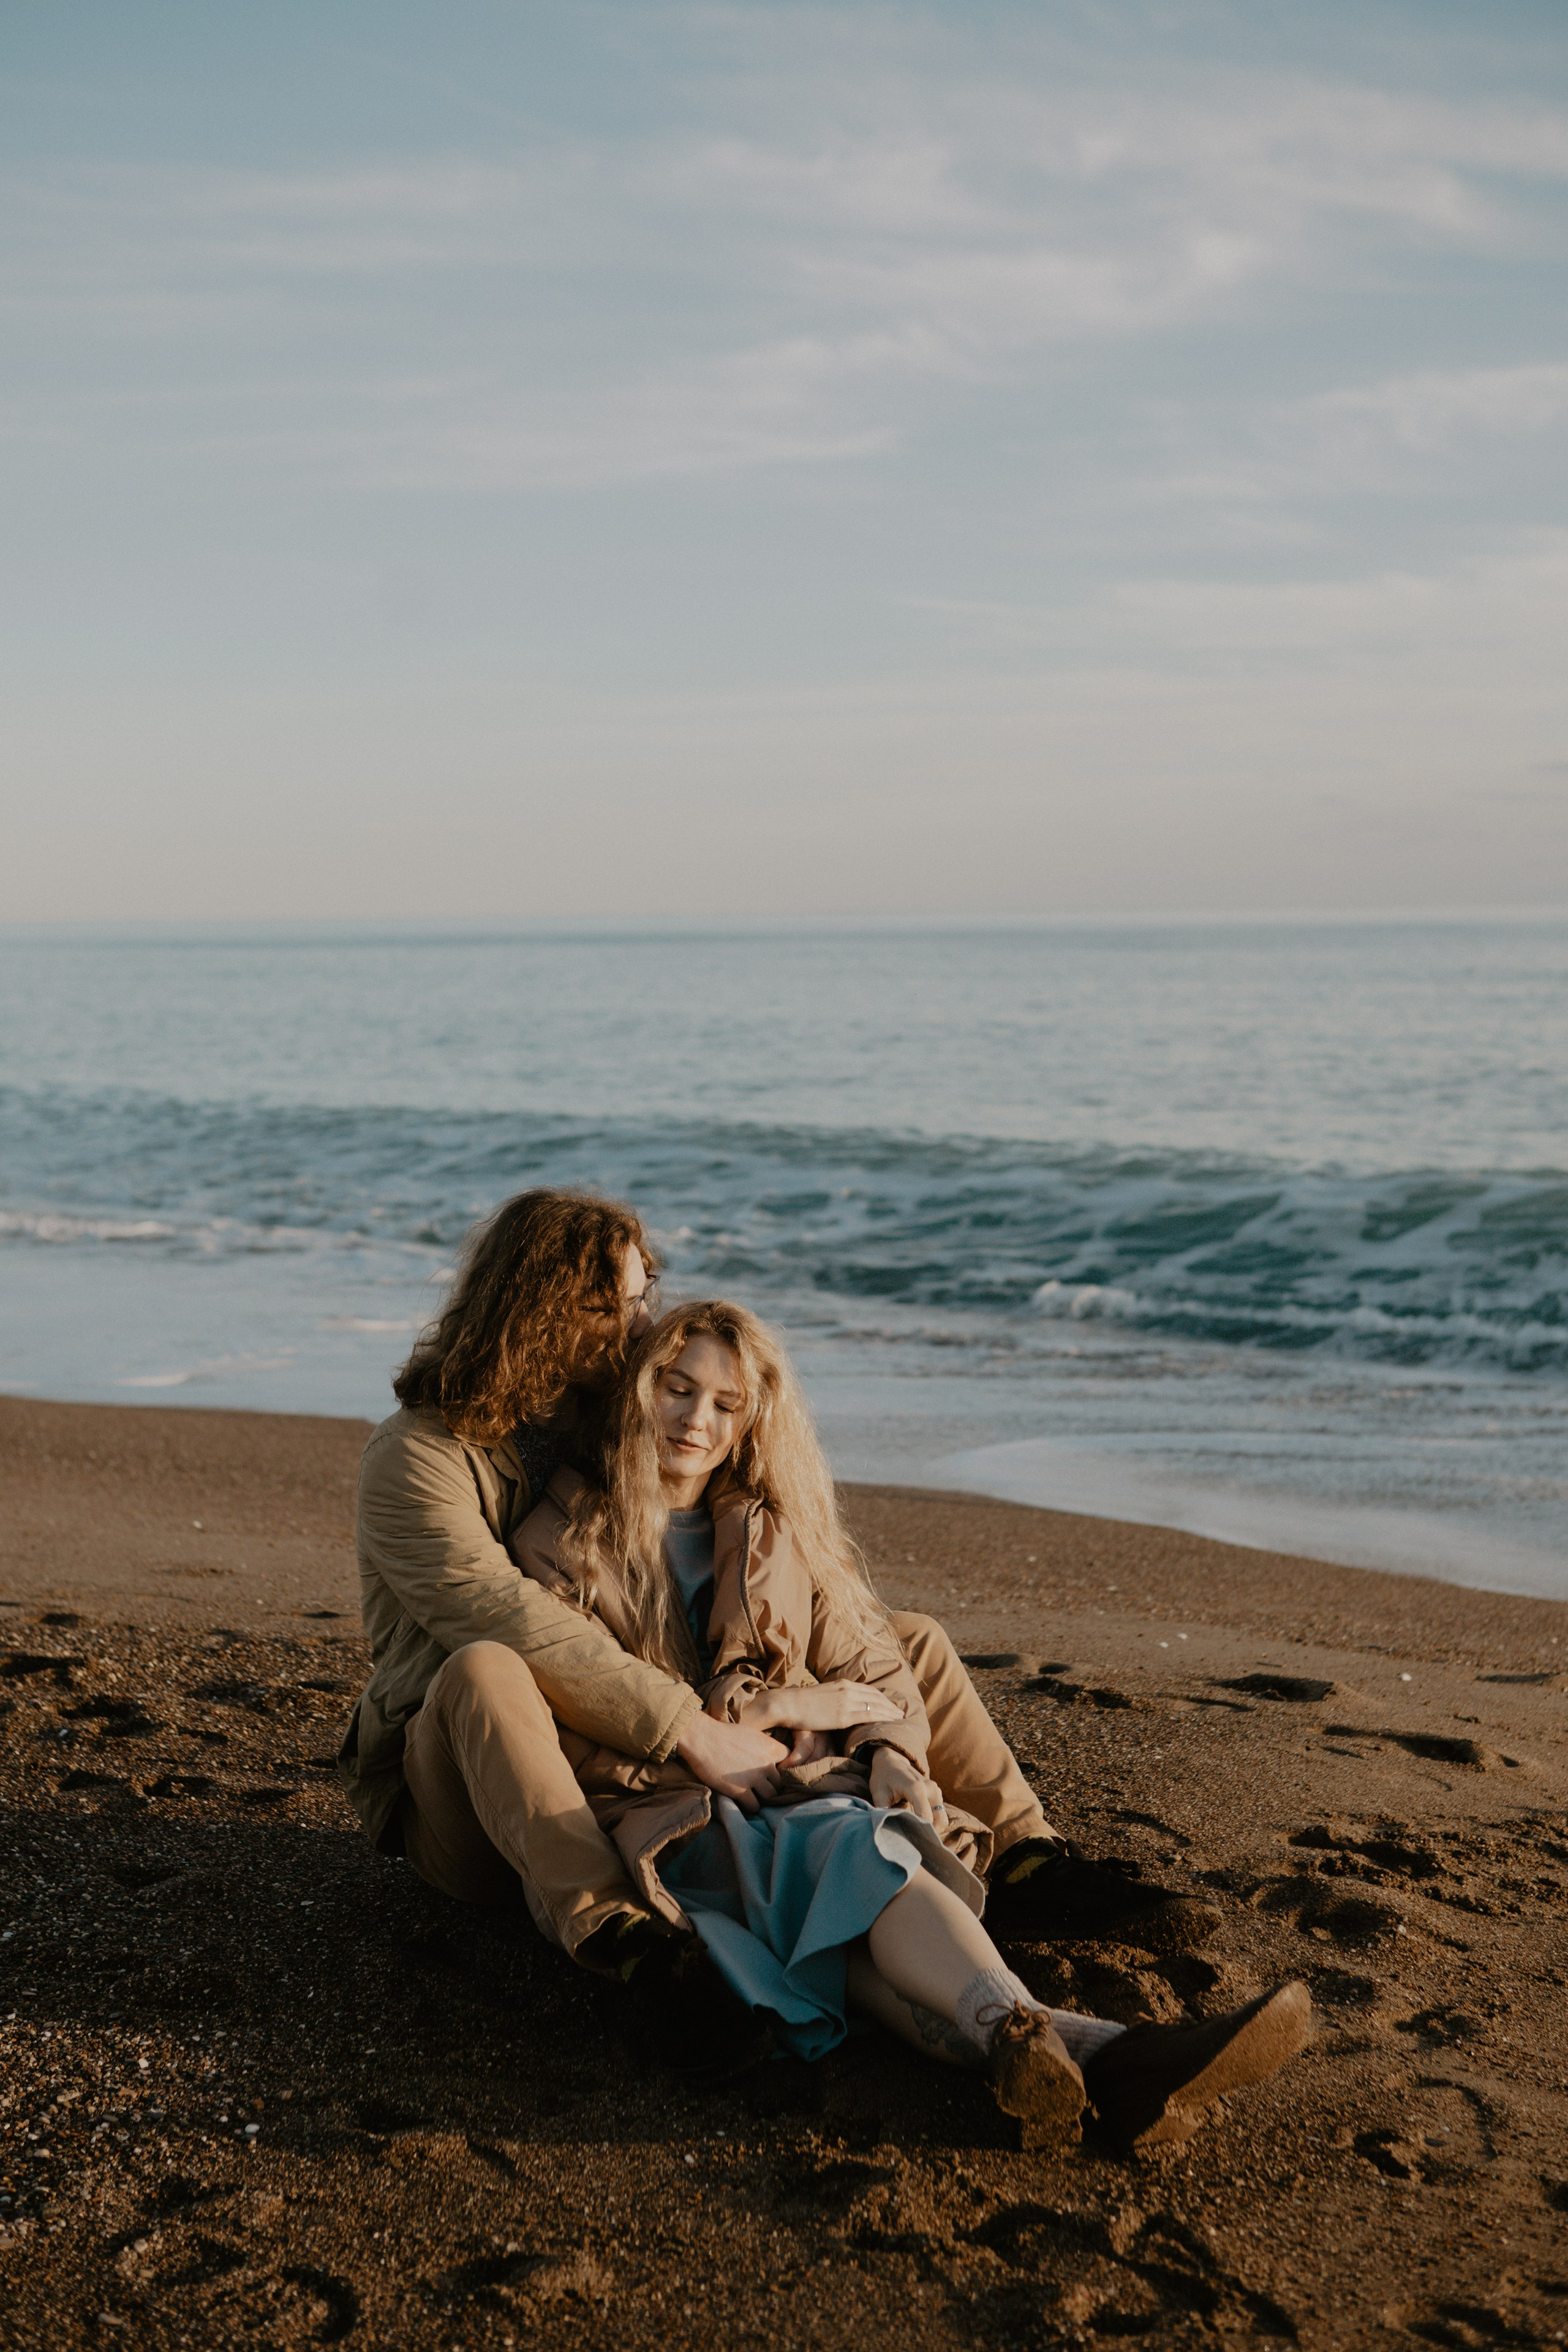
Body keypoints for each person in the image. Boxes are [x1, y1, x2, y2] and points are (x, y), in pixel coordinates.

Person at [337, 1187, 1214, 2077]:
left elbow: (719, 1514)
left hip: (630, 1730)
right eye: (615, 1305)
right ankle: (628, 1941)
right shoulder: (417, 1457)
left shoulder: (605, 1410)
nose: (643, 1322)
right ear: (539, 1311)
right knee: (490, 1668)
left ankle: (1027, 1867)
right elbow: (511, 1618)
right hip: (470, 1780)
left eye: (646, 1295)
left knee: (905, 1638)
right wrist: (700, 1731)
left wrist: (827, 1712)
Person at [511, 1298, 1311, 2151]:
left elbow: (875, 1657)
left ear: (750, 1424)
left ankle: (1096, 2065)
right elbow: (571, 1713)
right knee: (867, 1850)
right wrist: (784, 1708)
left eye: (724, 1404)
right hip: (678, 1819)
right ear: (636, 1390)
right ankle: (1085, 2047)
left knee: (853, 1957)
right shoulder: (557, 1541)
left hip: (797, 1802)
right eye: (676, 1389)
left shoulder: (766, 1526)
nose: (696, 1420)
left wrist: (891, 1748)